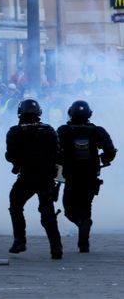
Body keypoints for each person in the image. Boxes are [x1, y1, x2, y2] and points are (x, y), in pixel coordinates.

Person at [5, 99, 63, 260]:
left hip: (27, 177)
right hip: (45, 178)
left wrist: (18, 164)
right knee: (48, 213)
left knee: (15, 204)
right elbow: (58, 154)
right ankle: (56, 247)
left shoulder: (14, 132)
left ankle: (19, 240)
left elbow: (10, 156)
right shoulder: (49, 130)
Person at [57, 100, 116, 253]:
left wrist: (58, 163)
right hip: (90, 175)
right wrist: (104, 159)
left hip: (71, 175)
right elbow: (110, 151)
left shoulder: (64, 130)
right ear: (89, 114)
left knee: (69, 210)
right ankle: (84, 243)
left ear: (71, 113)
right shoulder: (97, 131)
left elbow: (53, 151)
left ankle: (81, 224)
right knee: (86, 207)